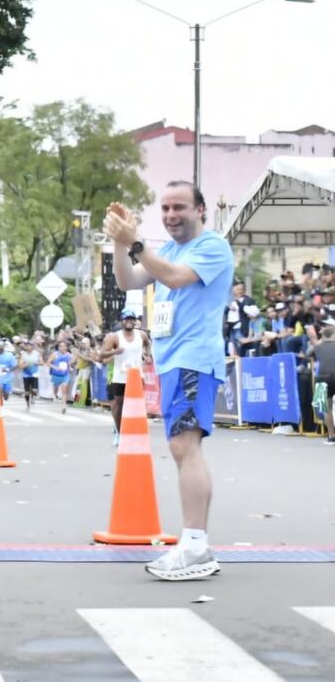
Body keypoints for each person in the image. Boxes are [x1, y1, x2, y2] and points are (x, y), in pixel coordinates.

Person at [105, 182, 234, 581]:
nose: (171, 215)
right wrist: (118, 243)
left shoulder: (212, 247)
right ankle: (194, 544)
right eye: (165, 208)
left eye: (179, 207)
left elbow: (176, 278)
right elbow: (128, 282)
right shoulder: (170, 251)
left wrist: (138, 242)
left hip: (194, 359)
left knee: (185, 446)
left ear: (200, 210)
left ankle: (196, 545)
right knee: (181, 449)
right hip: (171, 361)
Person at [97, 308, 151, 445]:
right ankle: (119, 431)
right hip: (120, 376)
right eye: (126, 319)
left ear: (135, 322)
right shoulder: (115, 337)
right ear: (122, 321)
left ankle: (134, 432)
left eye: (131, 320)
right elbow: (102, 354)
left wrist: (148, 355)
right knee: (118, 405)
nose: (129, 322)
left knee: (136, 405)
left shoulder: (141, 335)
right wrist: (115, 351)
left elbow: (148, 343)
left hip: (137, 375)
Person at [314, 324, 335, 445]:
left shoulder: (317, 347)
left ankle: (331, 437)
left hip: (322, 378)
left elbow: (308, 353)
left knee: (326, 409)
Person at [49, 340, 73, 411]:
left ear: (66, 347)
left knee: (64, 389)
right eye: (61, 346)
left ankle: (64, 406)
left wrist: (71, 366)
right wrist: (55, 367)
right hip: (56, 375)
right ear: (58, 347)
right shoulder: (55, 354)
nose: (62, 348)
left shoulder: (69, 355)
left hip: (65, 375)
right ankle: (55, 395)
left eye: (64, 346)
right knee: (56, 388)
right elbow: (48, 363)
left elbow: (71, 363)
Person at [18, 340, 41, 411]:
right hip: (26, 375)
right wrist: (25, 365)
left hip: (34, 374)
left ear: (33, 347)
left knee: (35, 390)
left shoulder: (37, 354)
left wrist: (38, 362)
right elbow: (20, 365)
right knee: (27, 392)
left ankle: (33, 396)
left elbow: (42, 362)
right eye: (27, 346)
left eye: (30, 346)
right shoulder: (23, 354)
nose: (29, 347)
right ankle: (28, 404)